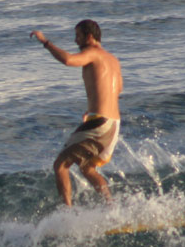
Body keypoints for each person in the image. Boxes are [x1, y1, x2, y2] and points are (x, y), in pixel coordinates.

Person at [30, 19, 123, 206]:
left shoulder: (93, 53)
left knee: (60, 166)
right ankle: (111, 208)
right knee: (87, 168)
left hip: (100, 123)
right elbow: (117, 89)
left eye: (78, 36)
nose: (75, 41)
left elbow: (68, 60)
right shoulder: (113, 60)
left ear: (89, 36)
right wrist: (91, 110)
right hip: (113, 123)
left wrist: (45, 42)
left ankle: (67, 213)